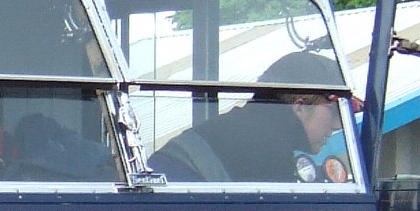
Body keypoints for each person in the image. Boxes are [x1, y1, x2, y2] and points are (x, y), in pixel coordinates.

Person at [149, 51, 347, 182]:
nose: (339, 124)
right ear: (300, 105)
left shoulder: (246, 128)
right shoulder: (268, 149)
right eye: (334, 111)